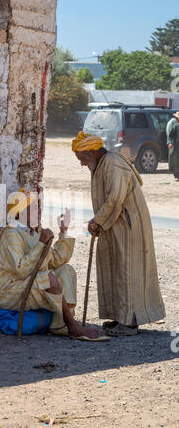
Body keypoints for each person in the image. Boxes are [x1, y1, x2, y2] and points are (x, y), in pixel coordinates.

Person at [72, 131, 166, 336]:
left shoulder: (113, 164)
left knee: (127, 271)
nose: (81, 164)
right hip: (116, 224)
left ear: (93, 152)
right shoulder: (101, 163)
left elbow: (115, 199)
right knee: (115, 269)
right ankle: (119, 317)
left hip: (128, 226)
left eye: (83, 158)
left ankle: (130, 322)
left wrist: (97, 221)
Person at [0, 188, 110, 341]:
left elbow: (55, 260)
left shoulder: (32, 233)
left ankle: (59, 324)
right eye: (33, 208)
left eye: (38, 207)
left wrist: (64, 232)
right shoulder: (11, 234)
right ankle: (73, 327)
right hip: (9, 290)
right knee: (48, 278)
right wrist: (41, 243)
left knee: (65, 270)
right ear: (19, 213)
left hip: (27, 284)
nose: (38, 211)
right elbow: (21, 270)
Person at [166, 111, 179, 180]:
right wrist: (169, 143)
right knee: (176, 160)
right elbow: (170, 135)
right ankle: (176, 175)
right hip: (176, 145)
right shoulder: (175, 125)